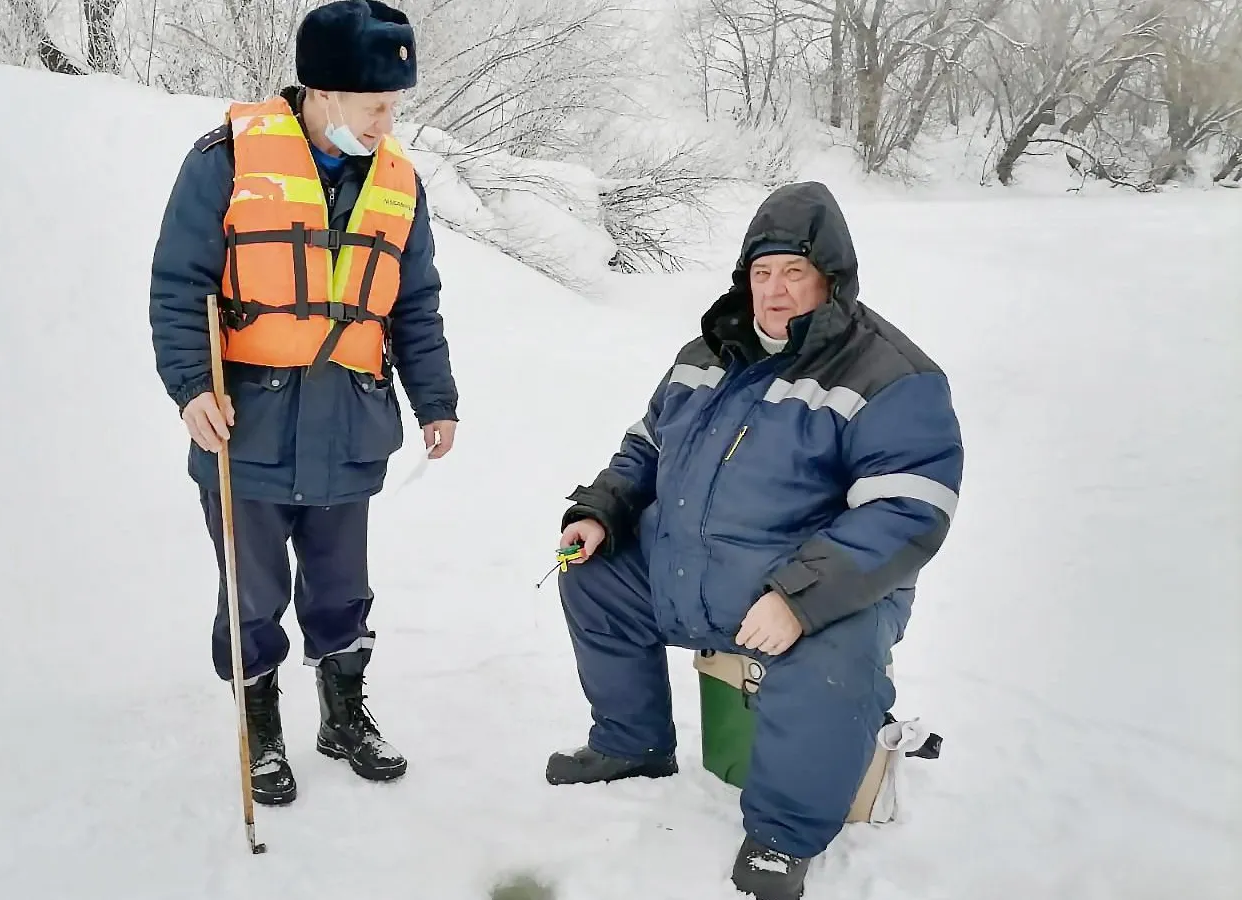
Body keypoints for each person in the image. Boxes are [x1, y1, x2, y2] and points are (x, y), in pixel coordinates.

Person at [546, 182, 963, 900]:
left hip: (814, 587)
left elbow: (906, 512)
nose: (773, 292)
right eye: (761, 273)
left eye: (794, 273)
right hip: (690, 571)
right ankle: (631, 744)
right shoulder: (705, 353)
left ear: (831, 280)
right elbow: (646, 447)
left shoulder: (892, 375)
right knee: (594, 575)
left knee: (835, 653)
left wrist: (799, 599)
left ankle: (783, 835)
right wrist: (601, 510)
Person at [148, 0, 459, 807]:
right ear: (322, 92)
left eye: (394, 107)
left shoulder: (398, 181)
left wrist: (436, 399)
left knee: (340, 587)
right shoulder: (225, 160)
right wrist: (191, 389)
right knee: (252, 591)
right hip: (245, 422)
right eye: (374, 107)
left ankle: (342, 713)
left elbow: (413, 303)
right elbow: (178, 287)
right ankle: (260, 723)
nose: (388, 125)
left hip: (351, 422)